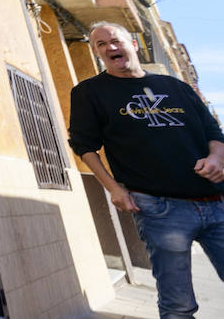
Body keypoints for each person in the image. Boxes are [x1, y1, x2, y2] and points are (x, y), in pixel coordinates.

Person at [69, 21, 224, 319]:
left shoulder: (176, 87)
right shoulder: (89, 93)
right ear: (97, 53)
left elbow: (213, 132)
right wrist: (113, 188)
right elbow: (84, 145)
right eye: (100, 45)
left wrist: (217, 158)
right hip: (159, 209)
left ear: (134, 44)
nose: (109, 47)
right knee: (178, 305)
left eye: (114, 40)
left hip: (214, 203)